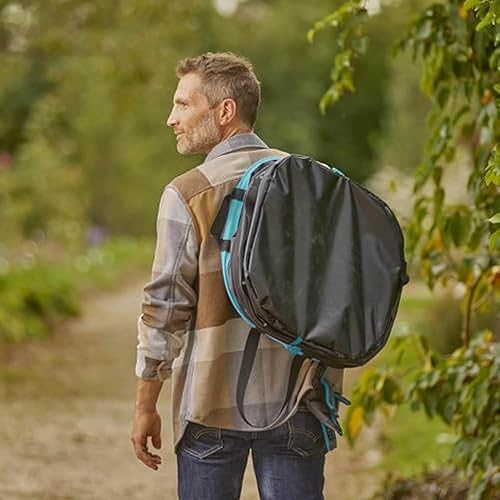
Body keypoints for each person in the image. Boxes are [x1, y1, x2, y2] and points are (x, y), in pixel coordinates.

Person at [130, 52, 343, 500]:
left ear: (225, 111)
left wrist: (146, 403)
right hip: (299, 396)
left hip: (212, 402)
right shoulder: (315, 183)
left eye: (183, 104)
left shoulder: (188, 194)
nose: (171, 118)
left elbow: (165, 308)